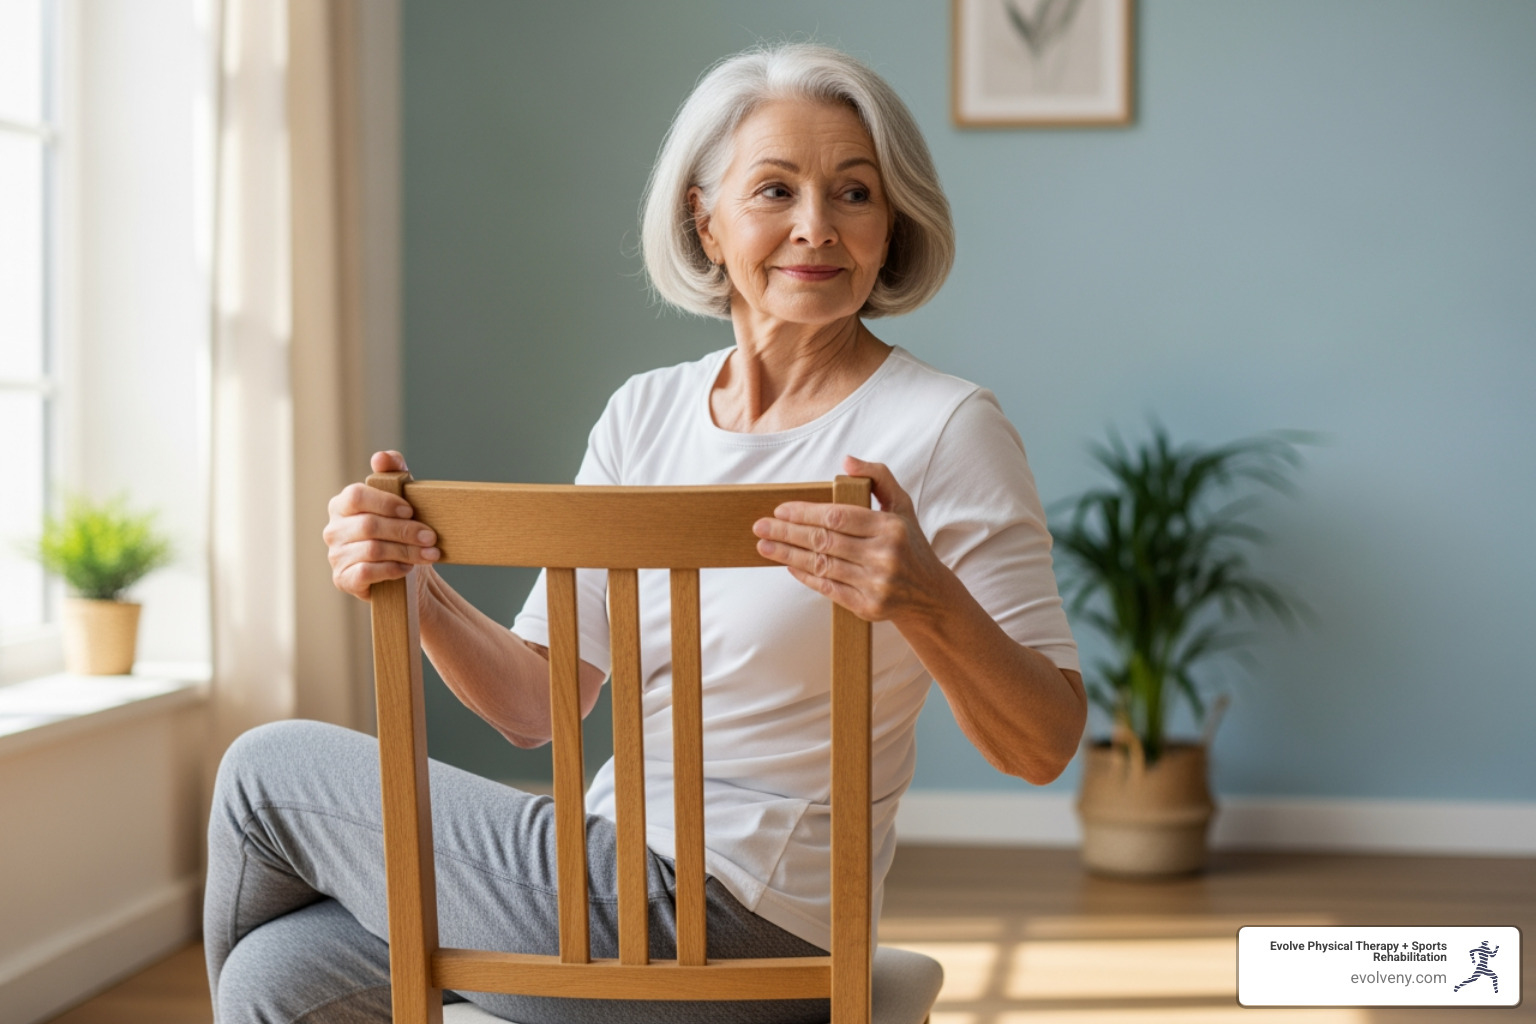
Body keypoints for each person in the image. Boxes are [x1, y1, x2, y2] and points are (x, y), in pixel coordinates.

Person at [204, 41, 1086, 1024]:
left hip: (750, 917)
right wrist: (415, 587)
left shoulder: (943, 427)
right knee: (274, 979)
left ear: (892, 224)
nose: (816, 227)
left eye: (853, 193)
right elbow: (537, 704)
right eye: (775, 190)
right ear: (704, 221)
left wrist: (925, 595)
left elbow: (1045, 745)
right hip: (605, 881)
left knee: (259, 772)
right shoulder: (645, 415)